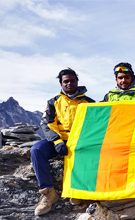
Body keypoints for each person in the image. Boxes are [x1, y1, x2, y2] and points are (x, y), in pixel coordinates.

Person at [31, 68, 95, 216]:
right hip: (59, 140)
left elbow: (93, 125)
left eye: (72, 81)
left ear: (77, 82)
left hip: (80, 140)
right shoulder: (53, 102)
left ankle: (77, 190)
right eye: (66, 81)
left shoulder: (89, 102)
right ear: (61, 84)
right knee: (37, 150)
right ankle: (48, 192)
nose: (69, 84)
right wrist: (57, 141)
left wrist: (80, 141)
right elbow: (47, 124)